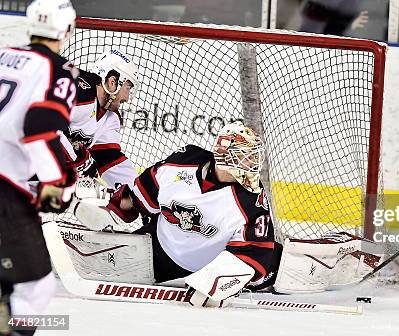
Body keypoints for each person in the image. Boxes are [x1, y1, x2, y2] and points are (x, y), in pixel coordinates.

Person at [105, 121, 282, 295]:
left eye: (254, 157)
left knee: (274, 261)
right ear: (226, 156)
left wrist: (219, 283)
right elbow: (145, 192)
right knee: (111, 262)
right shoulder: (183, 161)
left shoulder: (252, 198)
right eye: (247, 156)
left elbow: (255, 252)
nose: (253, 163)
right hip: (159, 248)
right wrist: (115, 209)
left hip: (210, 267)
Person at [0, 1, 78, 334]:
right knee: (37, 286)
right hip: (5, 186)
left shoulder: (3, 55)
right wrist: (54, 180)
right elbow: (39, 129)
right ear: (67, 29)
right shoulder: (58, 71)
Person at [60, 49, 140, 189]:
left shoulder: (110, 118)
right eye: (127, 88)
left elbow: (110, 160)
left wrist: (135, 194)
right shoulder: (77, 91)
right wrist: (77, 160)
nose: (127, 98)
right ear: (112, 81)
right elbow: (42, 126)